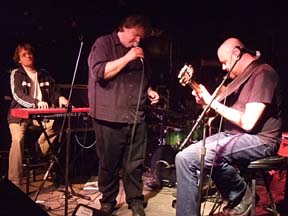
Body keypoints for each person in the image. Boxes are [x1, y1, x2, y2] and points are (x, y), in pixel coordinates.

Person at [176, 37, 282, 216]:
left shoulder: (264, 73)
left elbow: (248, 122)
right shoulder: (238, 80)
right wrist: (205, 103)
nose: (223, 67)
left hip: (261, 139)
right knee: (183, 158)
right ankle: (241, 195)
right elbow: (220, 114)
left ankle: (241, 195)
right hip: (232, 135)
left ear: (237, 53)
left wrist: (212, 102)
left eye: (225, 62)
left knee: (196, 158)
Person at [87, 14, 159, 216]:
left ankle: (135, 200)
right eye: (135, 36)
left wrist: (149, 91)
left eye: (141, 38)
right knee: (109, 164)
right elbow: (99, 73)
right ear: (124, 29)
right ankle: (108, 200)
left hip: (136, 116)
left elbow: (143, 79)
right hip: (108, 116)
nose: (138, 41)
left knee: (134, 164)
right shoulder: (103, 44)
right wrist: (128, 57)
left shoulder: (139, 52)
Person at [7, 42, 69, 188]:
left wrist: (60, 98)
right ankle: (14, 182)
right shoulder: (17, 73)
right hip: (19, 116)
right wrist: (35, 103)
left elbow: (54, 92)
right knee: (17, 140)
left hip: (41, 116)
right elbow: (17, 95)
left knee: (57, 125)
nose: (28, 56)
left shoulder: (44, 74)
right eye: (24, 54)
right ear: (19, 59)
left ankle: (38, 152)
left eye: (30, 53)